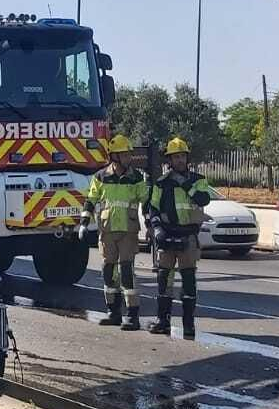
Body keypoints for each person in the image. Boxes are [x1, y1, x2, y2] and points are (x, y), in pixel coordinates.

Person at [143, 136, 217, 338]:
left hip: (188, 237)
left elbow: (203, 198)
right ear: (169, 160)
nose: (179, 160)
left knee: (188, 281)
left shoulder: (198, 180)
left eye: (182, 156)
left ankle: (188, 325)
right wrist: (157, 230)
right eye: (175, 157)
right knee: (164, 280)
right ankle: (162, 321)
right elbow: (153, 208)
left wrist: (184, 184)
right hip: (166, 236)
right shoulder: (161, 183)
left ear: (187, 158)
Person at [82, 134, 149, 331]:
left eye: (129, 154)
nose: (129, 158)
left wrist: (152, 222)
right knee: (108, 271)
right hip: (107, 230)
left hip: (128, 230)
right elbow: (91, 199)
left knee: (127, 271)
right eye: (125, 154)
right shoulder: (101, 177)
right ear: (115, 156)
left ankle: (133, 315)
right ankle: (113, 312)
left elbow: (145, 200)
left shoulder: (136, 177)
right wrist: (84, 222)